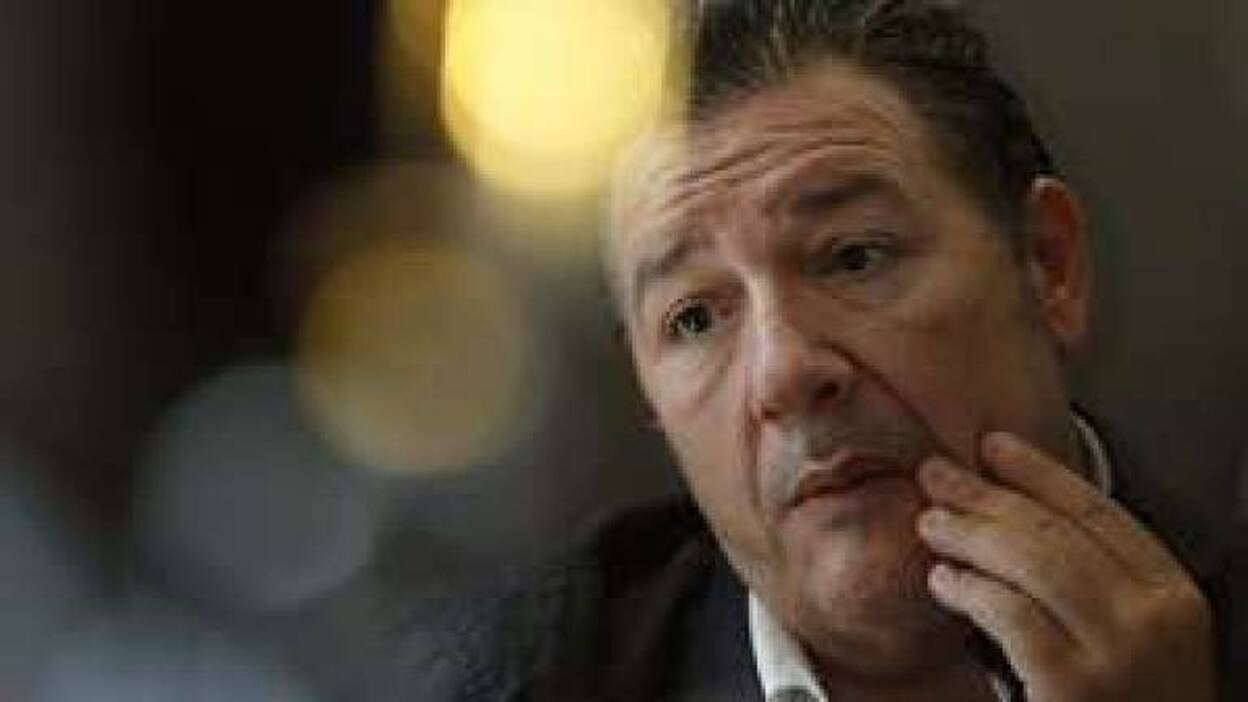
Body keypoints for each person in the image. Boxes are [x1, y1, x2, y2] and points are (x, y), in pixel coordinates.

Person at [377, 1, 1241, 699]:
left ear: (1047, 265)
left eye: (855, 257)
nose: (785, 372)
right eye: (694, 319)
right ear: (646, 390)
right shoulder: (535, 679)